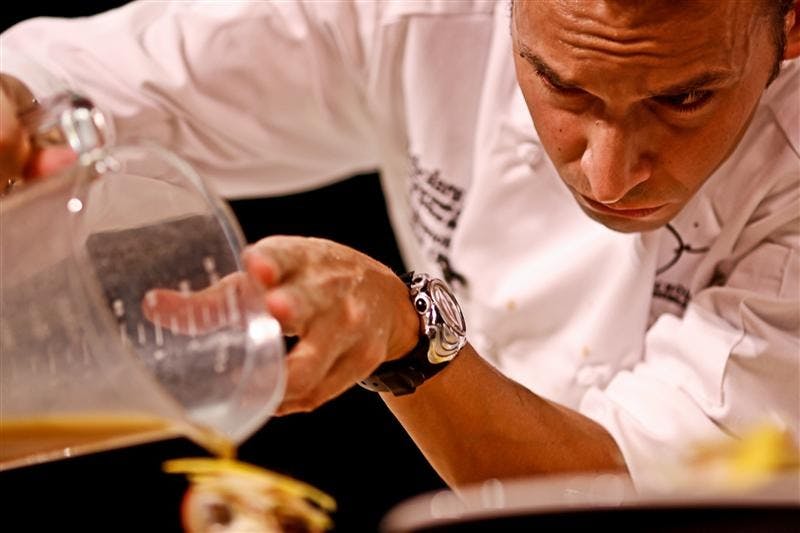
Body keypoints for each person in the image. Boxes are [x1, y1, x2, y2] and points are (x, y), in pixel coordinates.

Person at [1, 0, 798, 492]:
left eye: (684, 99)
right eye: (562, 85)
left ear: (791, 25)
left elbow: (640, 496)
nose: (608, 172)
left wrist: (410, 338)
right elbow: (89, 80)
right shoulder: (420, 16)